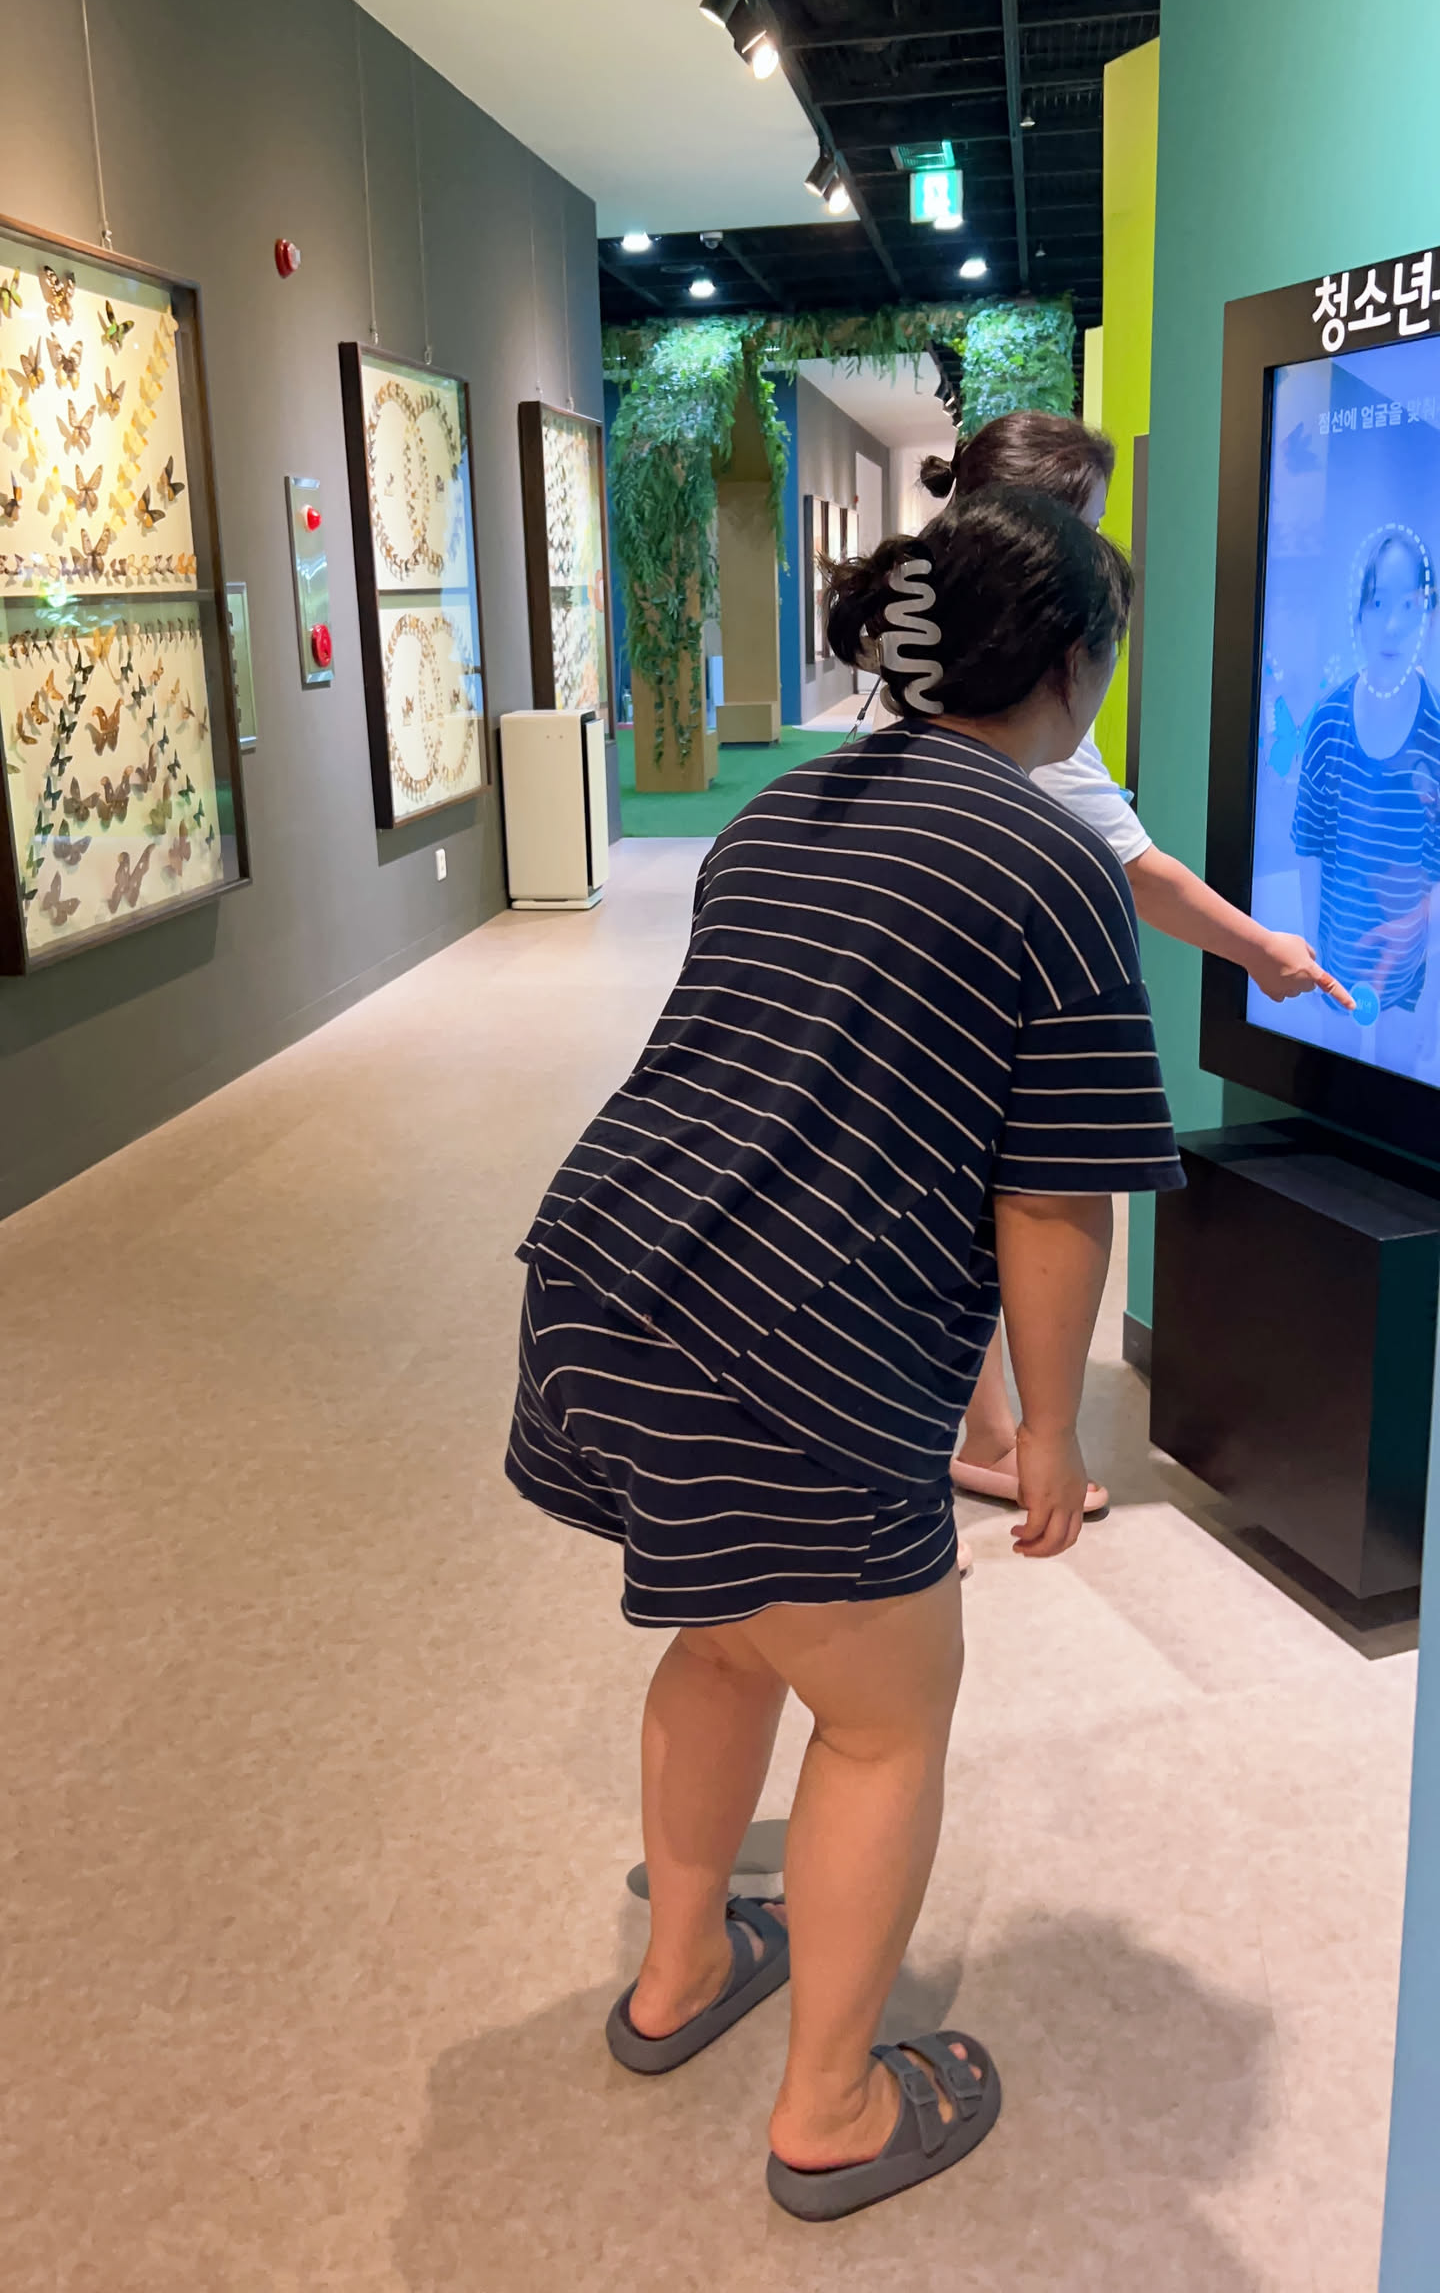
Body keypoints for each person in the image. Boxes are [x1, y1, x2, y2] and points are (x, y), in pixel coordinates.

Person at [505, 486, 1184, 2219]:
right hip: (793, 1351)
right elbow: (1055, 1192)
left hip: (604, 1274)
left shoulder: (777, 809)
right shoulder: (1053, 863)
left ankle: (681, 1973)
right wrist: (1048, 1430)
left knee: (730, 1639)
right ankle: (831, 2110)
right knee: (884, 1719)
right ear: (1075, 663)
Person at [923, 416, 1353, 1513]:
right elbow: (1063, 1184)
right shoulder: (1037, 759)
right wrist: (1262, 948)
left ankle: (973, 1434)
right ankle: (986, 1440)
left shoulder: (911, 671)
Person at [1293, 525, 1440, 1066]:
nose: (1393, 624)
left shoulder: (1437, 732)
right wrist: (1313, 963)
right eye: (1378, 603)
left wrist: (1432, 1004)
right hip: (1337, 959)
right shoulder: (1328, 723)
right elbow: (1309, 849)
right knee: (1333, 1085)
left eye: (1410, 604)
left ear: (1429, 616)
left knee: (1398, 1087)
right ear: (1357, 614)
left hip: (1409, 974)